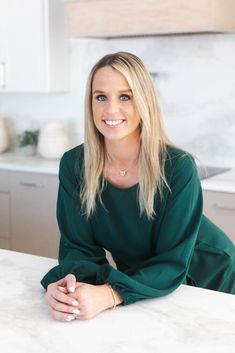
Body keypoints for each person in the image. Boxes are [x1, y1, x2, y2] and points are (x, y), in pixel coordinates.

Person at [41, 51, 235, 322]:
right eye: (101, 97)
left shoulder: (178, 167)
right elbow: (78, 248)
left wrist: (110, 294)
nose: (111, 110)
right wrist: (69, 288)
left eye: (125, 96)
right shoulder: (74, 164)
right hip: (142, 281)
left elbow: (171, 261)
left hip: (207, 274)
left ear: (143, 101)